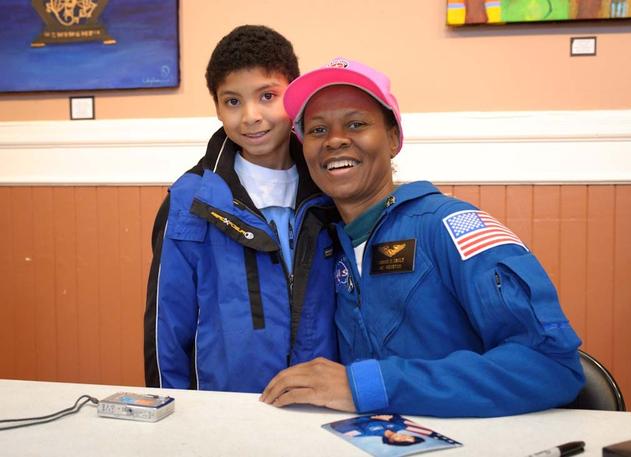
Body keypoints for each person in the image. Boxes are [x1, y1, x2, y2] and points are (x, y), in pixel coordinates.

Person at [260, 57, 585, 416]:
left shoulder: (452, 225)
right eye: (318, 130)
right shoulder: (325, 247)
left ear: (394, 138)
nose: (335, 140)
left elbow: (551, 365)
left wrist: (370, 384)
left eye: (356, 123)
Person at [143, 26, 339, 392]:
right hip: (223, 411)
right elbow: (166, 326)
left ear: (294, 96)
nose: (250, 115)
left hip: (321, 404)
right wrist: (170, 410)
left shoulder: (331, 189)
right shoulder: (191, 201)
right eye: (232, 101)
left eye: (267, 96)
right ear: (217, 107)